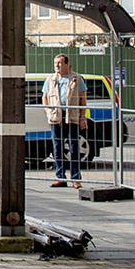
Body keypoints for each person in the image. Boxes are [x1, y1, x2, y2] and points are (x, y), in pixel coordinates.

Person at [43, 53, 89, 188]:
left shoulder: (76, 78)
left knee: (74, 148)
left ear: (67, 64)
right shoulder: (50, 79)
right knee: (57, 147)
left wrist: (82, 116)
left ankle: (76, 178)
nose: (57, 66)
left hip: (72, 117)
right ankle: (60, 177)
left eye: (60, 63)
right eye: (55, 63)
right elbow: (44, 96)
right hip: (56, 117)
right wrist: (47, 111)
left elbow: (82, 98)